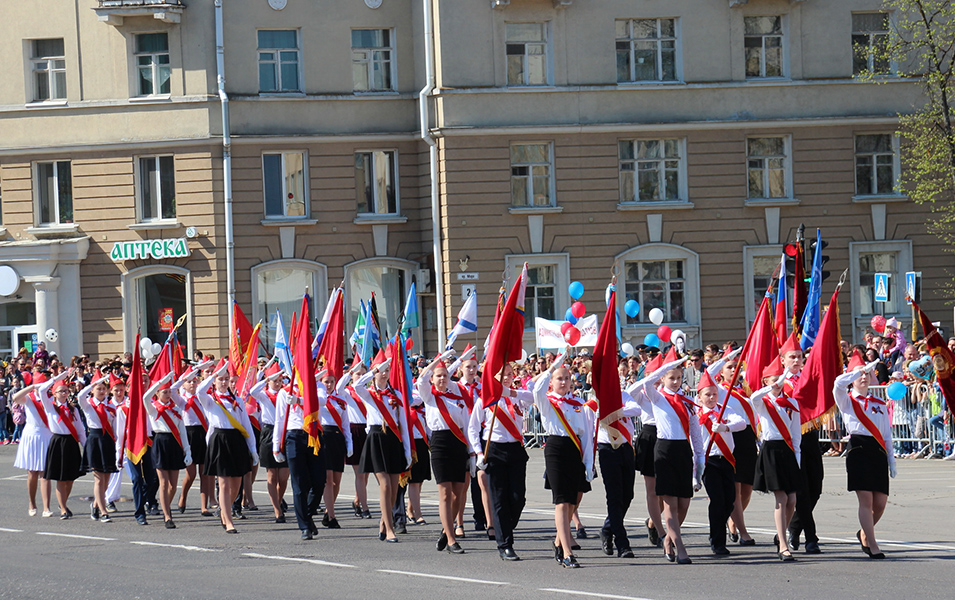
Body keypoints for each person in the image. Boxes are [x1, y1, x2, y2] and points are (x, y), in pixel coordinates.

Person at [631, 351, 703, 565]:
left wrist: (699, 463)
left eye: (679, 377)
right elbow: (642, 384)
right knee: (670, 502)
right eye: (671, 377)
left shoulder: (687, 402)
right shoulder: (657, 397)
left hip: (683, 451)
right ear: (662, 378)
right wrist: (666, 367)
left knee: (684, 503)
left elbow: (696, 435)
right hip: (664, 450)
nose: (676, 381)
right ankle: (679, 546)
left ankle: (670, 539)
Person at [533, 349, 595, 568]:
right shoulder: (548, 402)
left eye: (567, 378)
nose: (564, 381)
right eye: (559, 378)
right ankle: (567, 551)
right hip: (556, 449)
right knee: (562, 500)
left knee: (574, 500)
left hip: (575, 450)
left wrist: (589, 462)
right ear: (552, 381)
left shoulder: (579, 404)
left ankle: (559, 540)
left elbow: (587, 435)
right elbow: (536, 388)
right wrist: (553, 365)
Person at [833, 351, 896, 559]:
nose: (863, 377)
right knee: (866, 501)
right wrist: (855, 372)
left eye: (867, 374)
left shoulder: (878, 404)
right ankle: (872, 542)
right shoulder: (847, 400)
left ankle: (863, 532)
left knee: (881, 502)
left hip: (877, 450)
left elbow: (886, 434)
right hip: (858, 449)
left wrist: (891, 459)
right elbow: (837, 385)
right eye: (860, 374)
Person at [469, 362, 533, 561]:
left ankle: (503, 525)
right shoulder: (485, 400)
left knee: (517, 498)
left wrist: (510, 392)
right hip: (494, 450)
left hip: (515, 450)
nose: (506, 378)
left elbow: (533, 398)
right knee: (499, 500)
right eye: (502, 375)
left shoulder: (517, 397)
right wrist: (479, 453)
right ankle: (505, 544)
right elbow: (472, 429)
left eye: (509, 374)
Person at [352, 353, 412, 543]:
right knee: (385, 485)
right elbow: (356, 385)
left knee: (394, 488)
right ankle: (390, 529)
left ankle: (383, 522)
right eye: (381, 371)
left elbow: (403, 422)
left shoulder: (397, 395)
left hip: (393, 440)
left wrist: (408, 451)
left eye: (387, 370)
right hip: (376, 439)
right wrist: (374, 370)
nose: (384, 374)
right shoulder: (368, 393)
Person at [417, 350, 472, 554]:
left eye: (445, 375)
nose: (442, 378)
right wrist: (435, 364)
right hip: (440, 444)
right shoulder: (429, 396)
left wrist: (472, 451)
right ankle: (451, 539)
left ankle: (445, 529)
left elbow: (467, 426)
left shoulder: (457, 398)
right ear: (433, 378)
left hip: (458, 444)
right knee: (445, 494)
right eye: (438, 376)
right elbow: (421, 380)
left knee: (459, 493)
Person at [196, 359, 257, 533]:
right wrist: (214, 373)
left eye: (226, 379)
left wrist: (252, 449)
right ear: (214, 381)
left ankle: (225, 510)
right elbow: (200, 390)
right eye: (220, 379)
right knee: (223, 483)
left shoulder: (237, 400)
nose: (223, 382)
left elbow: (245, 424)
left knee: (237, 483)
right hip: (220, 440)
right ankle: (229, 521)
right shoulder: (209, 400)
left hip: (236, 440)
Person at [752, 357, 802, 562]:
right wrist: (769, 387)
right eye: (775, 379)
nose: (779, 383)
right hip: (771, 450)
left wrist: (797, 458)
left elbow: (796, 434)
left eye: (781, 379)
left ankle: (780, 533)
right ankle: (783, 544)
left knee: (792, 500)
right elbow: (753, 398)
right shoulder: (763, 402)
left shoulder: (791, 402)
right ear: (766, 381)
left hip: (787, 450)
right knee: (781, 499)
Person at [272, 364, 326, 540]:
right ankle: (304, 525)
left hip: (313, 434)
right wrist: (276, 446)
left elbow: (320, 401)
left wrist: (299, 401)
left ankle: (308, 515)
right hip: (293, 436)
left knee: (319, 482)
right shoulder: (284, 392)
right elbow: (279, 420)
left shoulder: (318, 386)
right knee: (299, 484)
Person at [696, 370, 746, 555]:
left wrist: (726, 427)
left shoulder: (725, 409)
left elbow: (741, 423)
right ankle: (717, 541)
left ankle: (718, 525)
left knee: (730, 501)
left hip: (726, 460)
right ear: (699, 396)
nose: (711, 397)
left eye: (714, 394)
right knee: (717, 501)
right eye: (707, 394)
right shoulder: (696, 413)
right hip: (709, 462)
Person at [781, 333, 822, 555]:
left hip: (810, 436)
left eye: (799, 357)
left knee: (816, 488)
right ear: (783, 360)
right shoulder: (780, 384)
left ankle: (794, 527)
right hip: (791, 440)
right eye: (792, 357)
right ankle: (811, 538)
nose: (797, 361)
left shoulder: (808, 381)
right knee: (802, 491)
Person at [594, 373, 642, 558]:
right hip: (607, 449)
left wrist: (616, 411)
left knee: (627, 495)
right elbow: (591, 425)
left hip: (626, 448)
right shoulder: (595, 401)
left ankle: (608, 528)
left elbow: (635, 409)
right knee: (614, 497)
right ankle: (622, 543)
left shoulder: (623, 395)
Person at [143, 372, 192, 528]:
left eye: (169, 391)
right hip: (160, 443)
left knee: (173, 485)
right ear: (157, 393)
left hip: (174, 444)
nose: (168, 394)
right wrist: (158, 383)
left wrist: (187, 450)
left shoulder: (175, 409)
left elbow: (182, 431)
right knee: (163, 482)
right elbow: (145, 397)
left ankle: (166, 506)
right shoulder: (153, 408)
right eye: (164, 391)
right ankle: (167, 516)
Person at [626, 351, 665, 549]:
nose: (657, 381)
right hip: (649, 437)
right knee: (652, 488)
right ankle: (660, 529)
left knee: (666, 488)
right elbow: (628, 393)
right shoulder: (642, 394)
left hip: (668, 437)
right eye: (653, 376)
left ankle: (653, 522)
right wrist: (645, 381)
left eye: (659, 376)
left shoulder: (669, 393)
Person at [36, 371, 85, 519]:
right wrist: (56, 379)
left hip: (71, 442)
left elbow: (81, 430)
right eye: (60, 391)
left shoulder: (73, 409)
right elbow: (41, 390)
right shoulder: (50, 407)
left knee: (70, 478)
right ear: (54, 393)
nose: (64, 393)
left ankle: (62, 502)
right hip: (58, 442)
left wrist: (86, 446)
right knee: (60, 478)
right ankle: (63, 508)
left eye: (65, 390)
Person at [172, 361, 215, 516]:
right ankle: (183, 496)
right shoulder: (182, 400)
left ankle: (204, 506)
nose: (192, 384)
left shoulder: (203, 397)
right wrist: (184, 378)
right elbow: (171, 390)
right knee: (191, 474)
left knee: (205, 473)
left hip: (202, 434)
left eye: (194, 381)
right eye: (189, 382)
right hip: (188, 435)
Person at [249, 362, 290, 523]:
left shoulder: (285, 394)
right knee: (272, 476)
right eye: (275, 380)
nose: (278, 383)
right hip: (268, 433)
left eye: (280, 380)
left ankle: (279, 501)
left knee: (284, 477)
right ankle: (277, 510)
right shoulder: (264, 395)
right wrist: (265, 380)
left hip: (284, 432)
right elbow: (252, 391)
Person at [11, 373, 53, 517]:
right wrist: (32, 387)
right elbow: (15, 398)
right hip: (31, 436)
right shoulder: (29, 399)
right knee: (32, 473)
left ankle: (46, 507)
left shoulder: (50, 399)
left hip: (46, 435)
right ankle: (32, 503)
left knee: (45, 473)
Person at [77, 371, 118, 522]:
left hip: (107, 441)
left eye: (103, 388)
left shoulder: (110, 407)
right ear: (93, 390)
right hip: (94, 440)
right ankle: (103, 511)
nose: (101, 391)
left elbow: (114, 427)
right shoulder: (89, 405)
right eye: (98, 388)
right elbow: (80, 396)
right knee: (99, 479)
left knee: (106, 479)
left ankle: (95, 505)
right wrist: (93, 383)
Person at [318, 370, 353, 529]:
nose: (329, 385)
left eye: (332, 381)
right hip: (325, 437)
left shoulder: (340, 400)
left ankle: (328, 510)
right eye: (326, 382)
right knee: (328, 479)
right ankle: (332, 515)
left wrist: (349, 442)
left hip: (338, 438)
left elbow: (345, 423)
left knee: (337, 480)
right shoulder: (318, 400)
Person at [343, 360, 372, 519]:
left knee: (366, 473)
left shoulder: (368, 391)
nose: (360, 377)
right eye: (357, 374)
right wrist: (347, 372)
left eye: (363, 374)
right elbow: (339, 386)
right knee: (360, 473)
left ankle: (357, 500)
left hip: (368, 430)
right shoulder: (347, 392)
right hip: (354, 431)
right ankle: (365, 507)